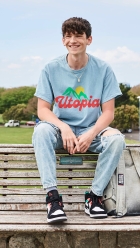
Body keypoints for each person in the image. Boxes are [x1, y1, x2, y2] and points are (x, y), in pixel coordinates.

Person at [32, 17, 125, 223]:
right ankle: (53, 199)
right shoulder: (50, 69)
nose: (73, 40)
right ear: (63, 40)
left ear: (89, 39)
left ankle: (94, 197)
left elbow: (108, 112)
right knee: (41, 131)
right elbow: (43, 110)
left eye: (78, 36)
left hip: (91, 131)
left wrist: (91, 133)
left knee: (117, 139)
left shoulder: (103, 69)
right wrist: (63, 127)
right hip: (60, 131)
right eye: (68, 36)